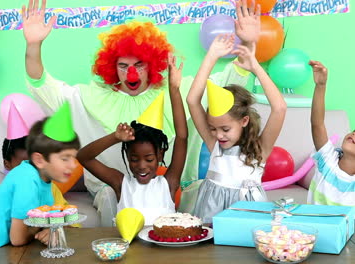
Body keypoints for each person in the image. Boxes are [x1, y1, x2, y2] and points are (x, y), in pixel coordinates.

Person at [22, 0, 259, 226]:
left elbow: (226, 82)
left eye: (139, 65)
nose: (131, 74)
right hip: (114, 186)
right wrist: (33, 45)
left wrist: (247, 44)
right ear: (113, 68)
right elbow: (43, 84)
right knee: (107, 196)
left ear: (151, 65)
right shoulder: (90, 97)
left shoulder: (175, 88)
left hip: (169, 185)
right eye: (123, 66)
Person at [0, 102, 80, 264]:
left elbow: (41, 222)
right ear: (39, 160)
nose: (73, 165)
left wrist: (46, 229)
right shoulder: (27, 180)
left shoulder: (44, 182)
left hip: (3, 255)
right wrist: (37, 230)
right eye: (65, 158)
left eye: (74, 157)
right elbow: (18, 238)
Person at [187, 32, 287, 223]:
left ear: (244, 121)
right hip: (211, 214)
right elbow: (192, 100)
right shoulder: (214, 144)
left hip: (249, 214)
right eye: (213, 128)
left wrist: (255, 67)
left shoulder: (260, 150)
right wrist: (212, 56)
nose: (218, 135)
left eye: (225, 129)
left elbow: (280, 108)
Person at [76, 56, 187, 225]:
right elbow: (83, 157)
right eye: (134, 159)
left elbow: (181, 136)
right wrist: (115, 137)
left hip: (164, 250)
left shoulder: (169, 183)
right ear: (127, 156)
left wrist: (174, 90)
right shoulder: (121, 184)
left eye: (149, 159)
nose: (141, 165)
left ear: (160, 155)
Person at [307, 60, 355, 206]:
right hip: (312, 226)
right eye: (354, 131)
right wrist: (320, 86)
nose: (354, 135)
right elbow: (317, 124)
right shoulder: (328, 160)